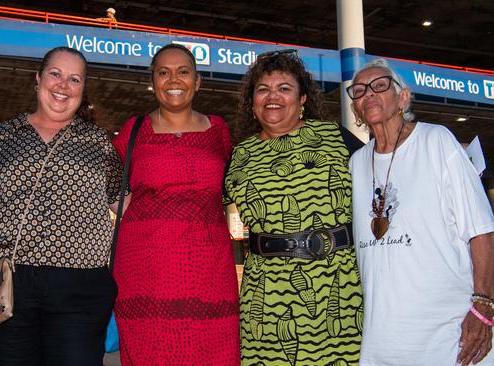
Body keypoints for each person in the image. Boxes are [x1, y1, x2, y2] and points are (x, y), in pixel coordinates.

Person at [347, 58, 494, 366]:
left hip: (450, 335)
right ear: (356, 109)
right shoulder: (356, 163)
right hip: (383, 341)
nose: (369, 94)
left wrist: (484, 305)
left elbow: (481, 228)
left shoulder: (435, 141)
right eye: (359, 90)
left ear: (403, 98)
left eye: (380, 85)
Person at [224, 49, 364, 365]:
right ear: (251, 101)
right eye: (263, 89)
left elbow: (383, 178)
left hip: (338, 287)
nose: (273, 97)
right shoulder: (239, 155)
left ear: (302, 99)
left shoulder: (334, 137)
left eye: (284, 88)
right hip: (267, 294)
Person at [0, 46, 121, 366]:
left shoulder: (98, 142)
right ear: (38, 79)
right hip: (11, 284)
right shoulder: (2, 137)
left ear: (83, 89)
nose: (63, 85)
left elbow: (125, 203)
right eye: (55, 74)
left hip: (81, 286)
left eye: (74, 79)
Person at [112, 43, 240, 365]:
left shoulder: (218, 130)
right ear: (152, 81)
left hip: (208, 269)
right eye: (163, 72)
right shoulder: (134, 130)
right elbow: (110, 184)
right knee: (151, 351)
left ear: (197, 81)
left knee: (212, 349)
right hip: (146, 268)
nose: (173, 80)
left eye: (183, 72)